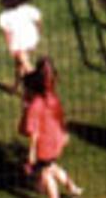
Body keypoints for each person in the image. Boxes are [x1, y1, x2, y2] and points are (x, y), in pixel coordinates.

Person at [19, 58, 83, 197]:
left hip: (44, 146)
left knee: (46, 174)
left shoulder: (34, 107)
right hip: (56, 141)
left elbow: (34, 133)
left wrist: (32, 153)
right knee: (51, 167)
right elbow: (60, 117)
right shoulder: (51, 98)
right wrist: (64, 132)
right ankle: (72, 187)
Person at [0, 0, 42, 92]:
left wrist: (10, 47)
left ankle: (40, 85)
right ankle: (16, 86)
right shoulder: (30, 9)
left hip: (19, 42)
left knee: (26, 64)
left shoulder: (4, 16)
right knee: (19, 64)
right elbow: (39, 21)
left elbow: (8, 34)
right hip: (31, 38)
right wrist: (38, 35)